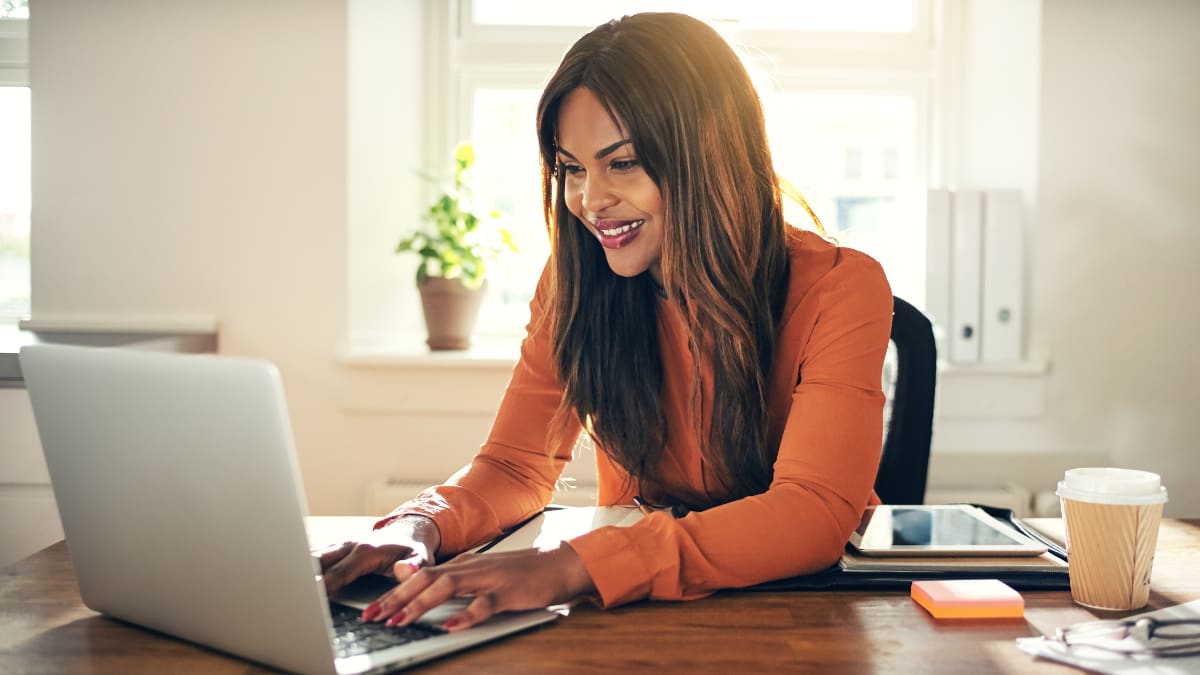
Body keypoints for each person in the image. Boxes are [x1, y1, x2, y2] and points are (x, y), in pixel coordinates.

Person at [319, 12, 892, 632]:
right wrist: (417, 525)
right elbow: (515, 467)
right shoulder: (575, 284)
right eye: (571, 168)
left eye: (622, 164)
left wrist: (569, 568)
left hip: (805, 612)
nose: (589, 201)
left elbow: (810, 513)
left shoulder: (841, 287)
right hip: (635, 610)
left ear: (709, 155)